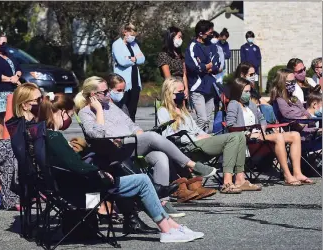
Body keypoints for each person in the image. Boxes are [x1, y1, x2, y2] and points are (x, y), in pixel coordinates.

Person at [39, 92, 205, 243]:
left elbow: (73, 165)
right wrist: (99, 172)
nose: (69, 119)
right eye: (69, 115)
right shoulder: (55, 138)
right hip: (84, 194)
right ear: (61, 112)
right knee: (142, 180)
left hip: (70, 190)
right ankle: (167, 229)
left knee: (120, 169)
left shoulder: (43, 136)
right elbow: (76, 166)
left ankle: (173, 226)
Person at [75, 76, 217, 214]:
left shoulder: (110, 106)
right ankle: (191, 165)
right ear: (93, 95)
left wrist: (138, 131)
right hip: (114, 148)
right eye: (105, 92)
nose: (108, 94)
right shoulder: (85, 113)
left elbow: (130, 123)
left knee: (160, 156)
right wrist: (99, 110)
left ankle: (163, 203)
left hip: (131, 144)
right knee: (152, 136)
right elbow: (98, 136)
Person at [158, 77, 261, 193]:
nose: (184, 95)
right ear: (169, 93)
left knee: (239, 135)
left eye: (184, 91)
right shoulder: (163, 111)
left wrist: (206, 135)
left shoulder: (182, 110)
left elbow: (196, 129)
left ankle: (240, 179)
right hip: (188, 147)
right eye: (180, 92)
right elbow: (168, 137)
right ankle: (227, 183)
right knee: (233, 137)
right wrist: (196, 137)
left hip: (198, 142)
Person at [227, 78, 314, 185]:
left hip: (259, 135)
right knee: (278, 137)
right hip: (245, 137)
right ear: (238, 91)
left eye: (249, 91)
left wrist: (262, 129)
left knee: (295, 135)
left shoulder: (250, 104)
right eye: (246, 92)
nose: (248, 94)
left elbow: (262, 119)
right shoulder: (233, 104)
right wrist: (248, 132)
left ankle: (297, 173)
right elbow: (231, 125)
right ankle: (287, 175)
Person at [185, 20, 220, 132]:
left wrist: (205, 66)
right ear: (200, 33)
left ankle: (206, 143)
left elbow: (216, 65)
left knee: (209, 120)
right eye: (209, 33)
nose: (211, 35)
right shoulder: (193, 46)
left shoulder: (212, 46)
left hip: (210, 87)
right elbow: (193, 66)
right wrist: (206, 66)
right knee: (202, 119)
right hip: (197, 88)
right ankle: (192, 139)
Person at [269, 68, 321, 134]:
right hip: (297, 133)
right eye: (290, 82)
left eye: (294, 81)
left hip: (309, 129)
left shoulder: (294, 98)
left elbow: (307, 114)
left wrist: (305, 117)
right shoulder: (280, 100)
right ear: (281, 83)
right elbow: (293, 120)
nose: (293, 84)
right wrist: (305, 117)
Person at [112, 23, 145, 122]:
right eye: (131, 34)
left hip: (135, 80)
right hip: (123, 81)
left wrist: (130, 58)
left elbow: (142, 59)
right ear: (124, 32)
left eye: (134, 35)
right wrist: (134, 59)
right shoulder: (117, 44)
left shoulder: (134, 45)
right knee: (123, 108)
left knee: (133, 109)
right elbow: (121, 61)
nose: (133, 37)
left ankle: (132, 129)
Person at [157, 26, 188, 99]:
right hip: (171, 88)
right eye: (179, 37)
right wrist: (175, 90)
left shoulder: (181, 55)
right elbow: (168, 77)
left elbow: (184, 74)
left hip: (182, 88)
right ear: (172, 37)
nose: (181, 39)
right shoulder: (164, 55)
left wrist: (186, 89)